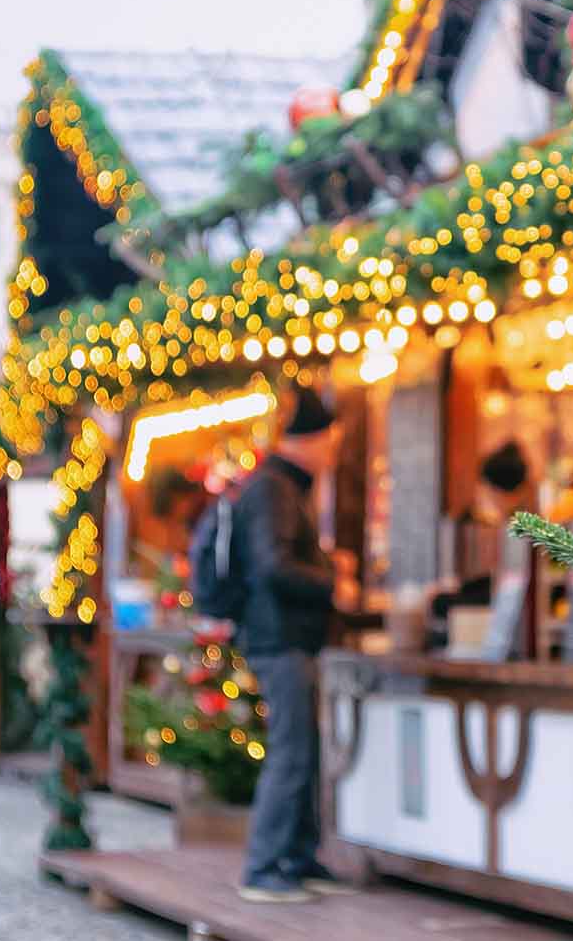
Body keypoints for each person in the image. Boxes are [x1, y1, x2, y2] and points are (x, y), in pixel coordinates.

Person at [234, 385, 351, 904]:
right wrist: (332, 583)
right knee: (291, 751)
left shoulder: (282, 488)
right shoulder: (274, 489)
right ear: (311, 440)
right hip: (279, 640)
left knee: (303, 749)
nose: (333, 453)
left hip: (289, 638)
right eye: (329, 441)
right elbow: (271, 565)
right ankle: (264, 867)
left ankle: (298, 857)